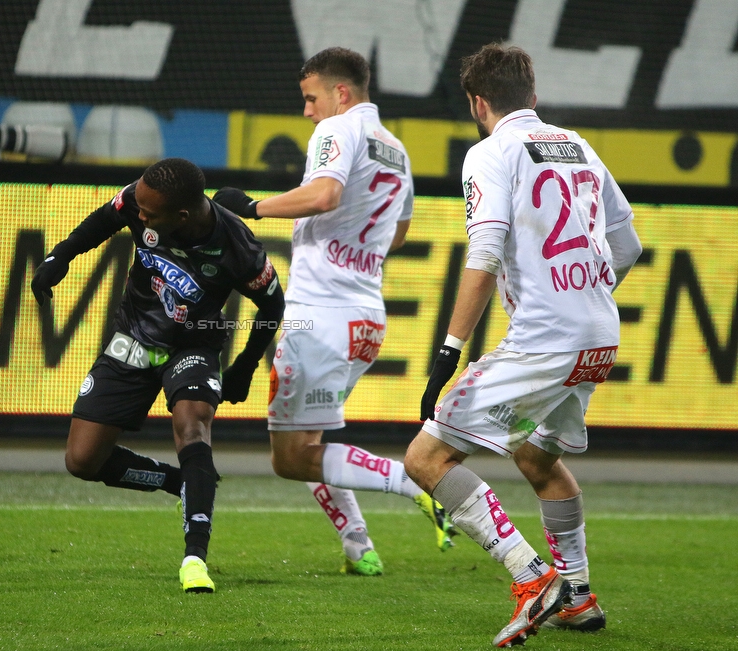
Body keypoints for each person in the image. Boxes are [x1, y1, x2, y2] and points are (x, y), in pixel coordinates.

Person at [403, 43, 643, 647]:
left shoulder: (489, 153)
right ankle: (579, 595)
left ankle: (534, 579)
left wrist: (448, 350)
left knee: (425, 460)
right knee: (537, 459)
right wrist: (582, 292)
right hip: (598, 333)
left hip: (544, 339)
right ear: (532, 97)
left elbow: (484, 256)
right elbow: (629, 245)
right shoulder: (579, 146)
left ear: (477, 103)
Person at [213, 46, 455, 577]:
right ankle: (358, 545)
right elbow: (401, 230)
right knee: (311, 444)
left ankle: (411, 481)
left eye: (311, 97)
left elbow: (323, 195)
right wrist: (357, 257)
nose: (307, 111)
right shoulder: (395, 148)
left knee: (289, 457)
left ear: (340, 93)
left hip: (318, 318)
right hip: (365, 320)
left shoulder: (337, 130)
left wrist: (250, 207)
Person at [30, 157, 285, 593]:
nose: (138, 213)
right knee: (82, 461)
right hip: (133, 336)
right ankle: (178, 481)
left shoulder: (238, 247)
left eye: (148, 213)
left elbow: (273, 307)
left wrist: (244, 366)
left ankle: (194, 559)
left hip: (194, 345)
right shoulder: (141, 199)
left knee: (192, 425)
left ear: (181, 216)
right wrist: (61, 255)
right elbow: (106, 218)